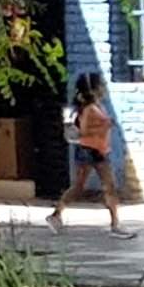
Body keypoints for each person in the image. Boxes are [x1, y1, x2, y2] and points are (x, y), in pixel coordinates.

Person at [56, 75, 129, 236]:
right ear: (94, 89)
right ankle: (115, 225)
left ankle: (57, 214)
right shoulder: (90, 109)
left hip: (95, 149)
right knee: (106, 187)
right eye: (101, 85)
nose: (104, 88)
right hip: (91, 150)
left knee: (84, 186)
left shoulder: (95, 106)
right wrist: (104, 125)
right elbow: (85, 130)